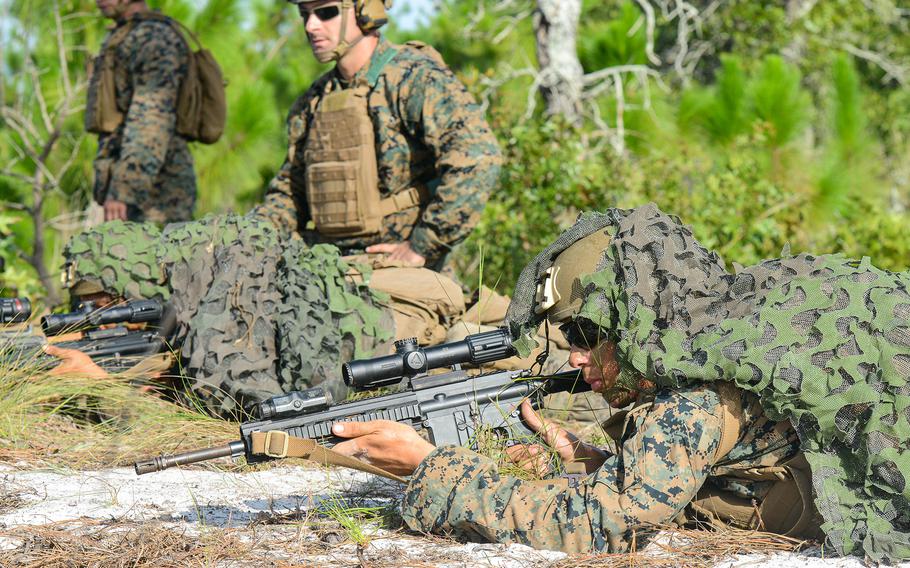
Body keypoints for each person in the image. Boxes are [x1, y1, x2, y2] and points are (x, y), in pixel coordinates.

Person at [328, 204, 910, 562]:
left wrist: (430, 468)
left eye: (587, 332)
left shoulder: (697, 397)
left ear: (636, 321)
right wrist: (593, 462)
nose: (577, 358)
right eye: (568, 336)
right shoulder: (707, 339)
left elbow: (598, 526)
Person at [50, 215, 580, 418]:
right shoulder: (200, 268)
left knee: (494, 338)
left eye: (104, 308)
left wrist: (104, 386)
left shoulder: (208, 308)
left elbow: (247, 402)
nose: (106, 323)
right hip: (375, 288)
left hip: (378, 320)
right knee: (485, 312)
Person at [248, 0, 502, 270]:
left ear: (366, 11)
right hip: (325, 266)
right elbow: (290, 193)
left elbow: (478, 157)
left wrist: (423, 244)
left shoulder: (413, 78)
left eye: (326, 12)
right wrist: (249, 238)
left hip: (397, 271)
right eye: (304, 14)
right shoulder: (312, 102)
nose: (311, 26)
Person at [87, 0, 196, 224]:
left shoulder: (153, 38)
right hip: (135, 192)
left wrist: (124, 190)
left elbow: (151, 121)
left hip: (158, 197)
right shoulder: (125, 35)